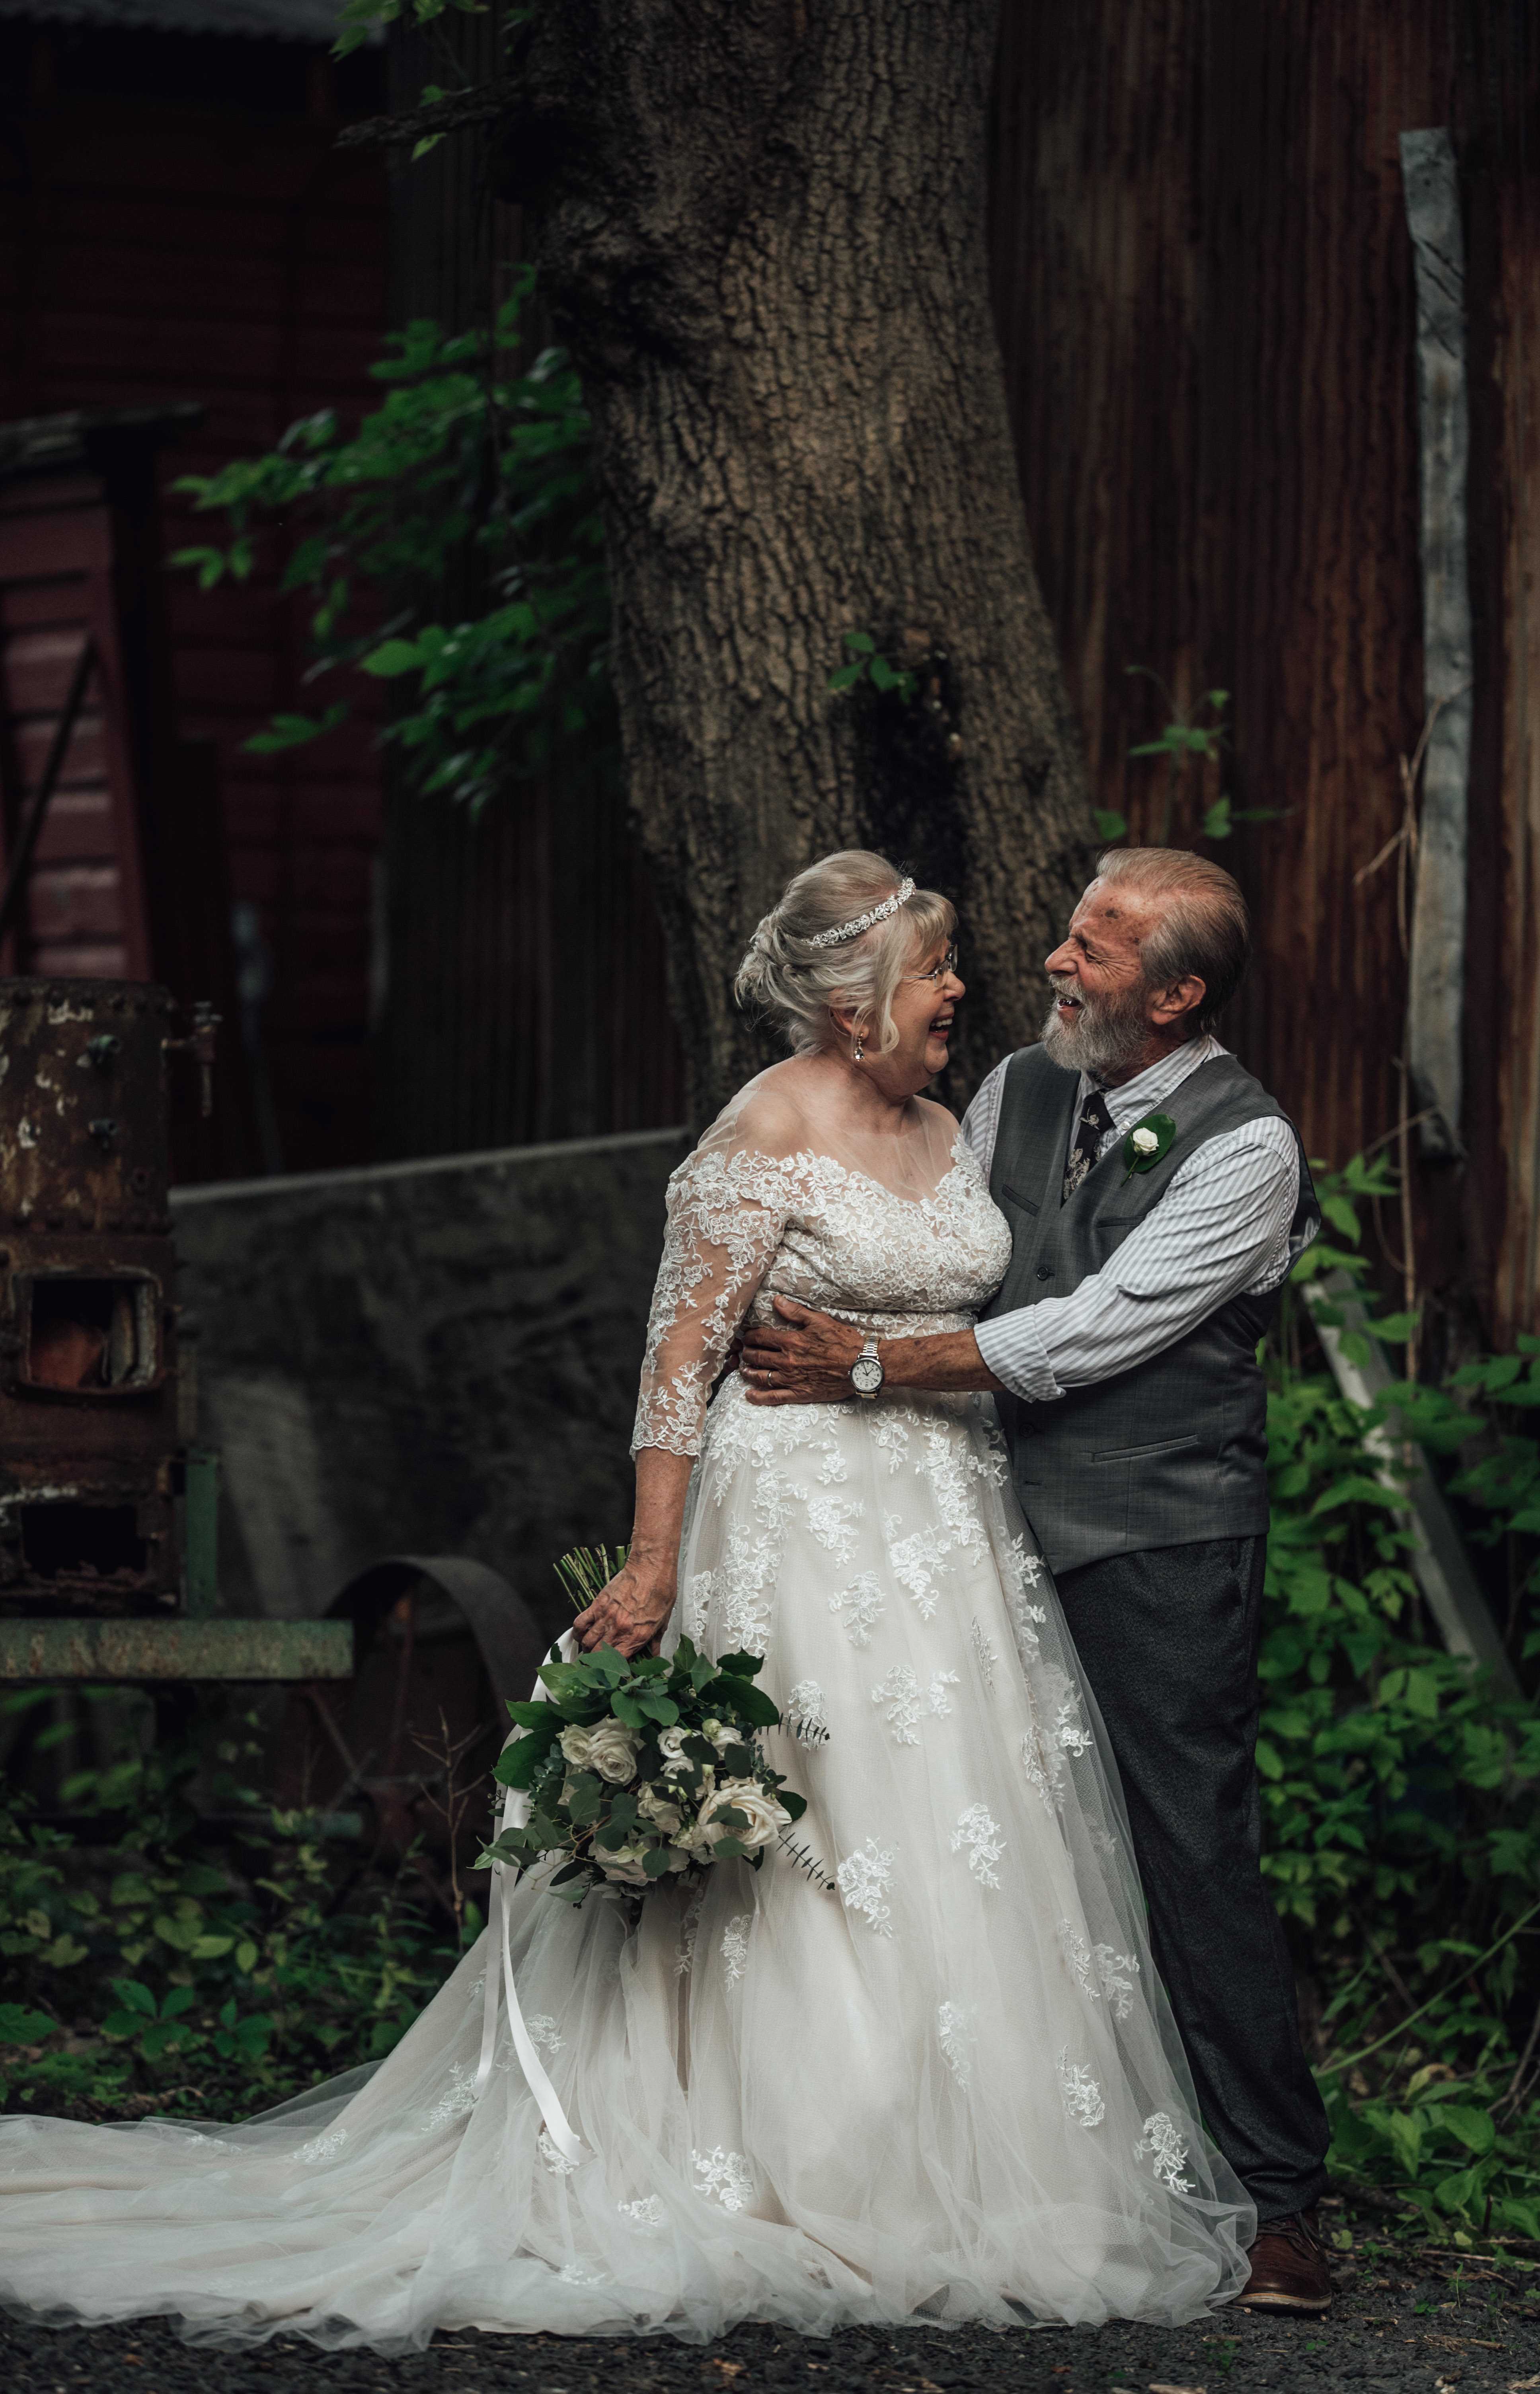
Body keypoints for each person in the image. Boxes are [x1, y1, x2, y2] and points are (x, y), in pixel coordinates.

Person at [0, 850, 1253, 2350]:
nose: (966, 990)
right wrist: (656, 1564)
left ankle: (974, 2169)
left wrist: (883, 1366)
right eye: (935, 974)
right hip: (796, 1519)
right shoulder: (758, 1139)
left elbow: (1010, 1311)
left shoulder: (955, 1120)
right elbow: (676, 1375)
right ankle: (793, 2158)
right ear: (857, 1007)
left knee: (953, 1827)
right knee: (808, 1830)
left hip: (951, 1529)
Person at [740, 845, 1335, 2316]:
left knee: (1184, 1842)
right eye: (1071, 934)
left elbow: (1083, 1330)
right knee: (999, 1838)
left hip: (1155, 1535)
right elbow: (971, 1256)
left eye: (1101, 948)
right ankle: (1051, 2162)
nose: (1061, 964)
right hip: (971, 1525)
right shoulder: (1017, 1084)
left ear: (1178, 995)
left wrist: (866, 1364)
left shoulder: (1247, 1149)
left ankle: (1277, 2195)